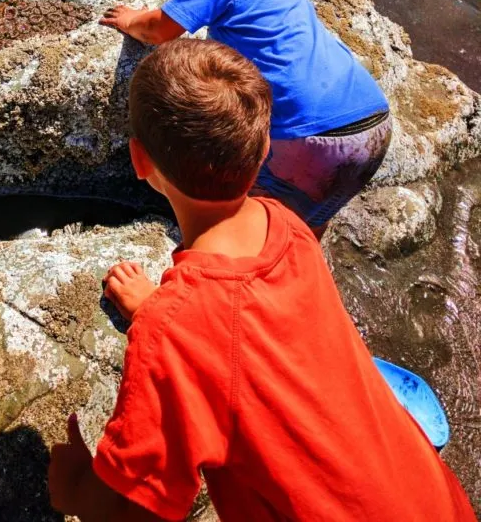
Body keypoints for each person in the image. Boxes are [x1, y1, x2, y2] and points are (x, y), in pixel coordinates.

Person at [48, 40, 475, 521]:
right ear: (266, 148)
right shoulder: (289, 228)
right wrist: (163, 313)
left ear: (139, 161)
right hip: (435, 501)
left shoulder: (175, 332)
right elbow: (248, 336)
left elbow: (130, 510)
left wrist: (73, 486)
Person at [100, 0, 391, 234]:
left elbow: (160, 30)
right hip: (370, 117)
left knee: (248, 221)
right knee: (305, 221)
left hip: (306, 136)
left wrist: (128, 19)